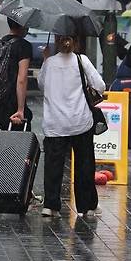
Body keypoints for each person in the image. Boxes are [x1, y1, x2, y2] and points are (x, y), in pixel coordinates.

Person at [38, 34, 105, 218]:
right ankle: (87, 207)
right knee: (84, 164)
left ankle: (50, 206)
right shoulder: (81, 60)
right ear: (75, 42)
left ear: (56, 42)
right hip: (80, 121)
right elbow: (100, 85)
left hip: (55, 124)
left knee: (53, 166)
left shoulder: (49, 63)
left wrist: (45, 58)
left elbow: (42, 86)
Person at [0, 18, 33, 130]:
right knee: (15, 143)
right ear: (23, 26)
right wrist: (20, 109)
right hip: (12, 103)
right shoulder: (23, 46)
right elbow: (22, 78)